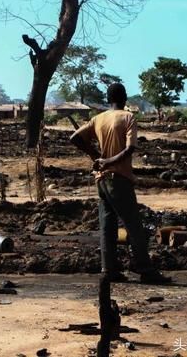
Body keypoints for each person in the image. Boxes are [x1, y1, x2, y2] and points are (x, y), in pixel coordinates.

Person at [70, 83, 171, 284]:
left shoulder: (98, 118)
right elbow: (129, 149)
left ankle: (109, 270)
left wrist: (96, 156)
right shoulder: (128, 117)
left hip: (101, 181)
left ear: (108, 100)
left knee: (107, 227)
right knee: (134, 226)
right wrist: (107, 161)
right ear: (125, 98)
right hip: (119, 179)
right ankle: (145, 270)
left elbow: (74, 138)